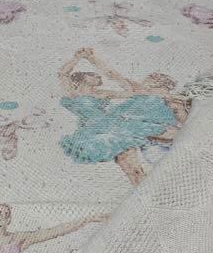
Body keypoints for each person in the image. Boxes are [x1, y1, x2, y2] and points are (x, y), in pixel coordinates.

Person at [57, 47, 188, 185]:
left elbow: (131, 91)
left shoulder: (103, 93)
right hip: (97, 130)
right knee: (131, 167)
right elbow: (62, 73)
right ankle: (144, 188)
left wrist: (164, 95)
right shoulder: (73, 94)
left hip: (116, 123)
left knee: (173, 134)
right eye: (93, 75)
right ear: (82, 78)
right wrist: (79, 57)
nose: (98, 77)